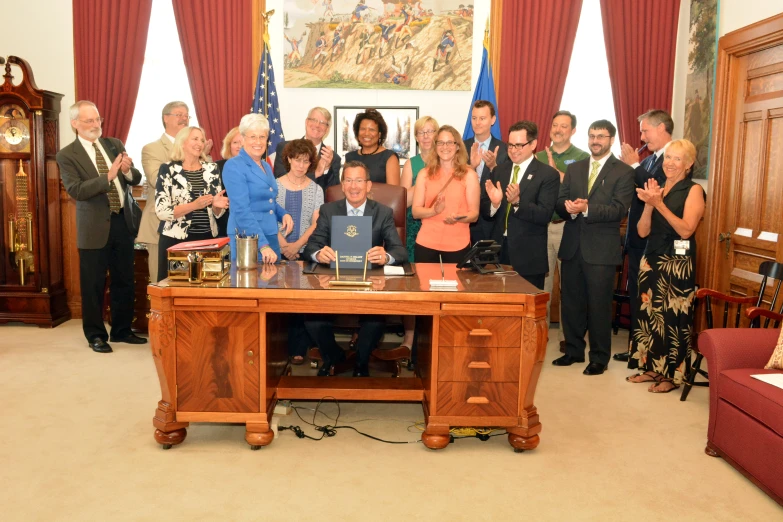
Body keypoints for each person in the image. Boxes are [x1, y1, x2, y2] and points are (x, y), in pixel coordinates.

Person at [302, 161, 407, 377]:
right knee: (311, 317)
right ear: (342, 185)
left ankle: (361, 363)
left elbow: (400, 251)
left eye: (359, 180)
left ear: (368, 185)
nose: (354, 186)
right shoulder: (329, 210)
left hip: (371, 283)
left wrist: (385, 256)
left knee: (376, 318)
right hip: (333, 281)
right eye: (348, 180)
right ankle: (334, 356)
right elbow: (311, 246)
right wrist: (318, 254)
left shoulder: (383, 212)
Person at [56, 100, 146, 353]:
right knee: (93, 284)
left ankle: (121, 330)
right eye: (89, 121)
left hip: (122, 221)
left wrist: (127, 172)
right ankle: (95, 335)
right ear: (75, 124)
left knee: (124, 281)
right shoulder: (67, 155)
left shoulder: (113, 144)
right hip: (94, 227)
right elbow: (76, 190)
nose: (96, 125)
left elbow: (135, 178)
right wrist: (107, 176)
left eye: (98, 120)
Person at [552, 120, 634, 376]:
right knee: (572, 303)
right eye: (592, 135)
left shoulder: (623, 171)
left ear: (611, 139)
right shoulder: (575, 168)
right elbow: (559, 202)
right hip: (573, 246)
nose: (595, 140)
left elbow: (618, 210)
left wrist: (586, 208)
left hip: (601, 251)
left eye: (601, 136)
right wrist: (568, 208)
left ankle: (599, 357)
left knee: (598, 306)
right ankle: (574, 351)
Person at [626, 139, 705, 393]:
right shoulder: (656, 188)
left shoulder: (693, 190)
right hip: (651, 260)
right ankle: (651, 368)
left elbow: (686, 230)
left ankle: (671, 377)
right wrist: (649, 205)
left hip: (677, 264)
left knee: (672, 321)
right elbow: (641, 231)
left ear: (689, 163)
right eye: (668, 157)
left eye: (677, 159)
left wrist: (659, 204)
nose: (670, 163)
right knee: (648, 316)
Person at [615, 109, 672, 362]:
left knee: (650, 298)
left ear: (661, 128)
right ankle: (637, 351)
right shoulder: (649, 159)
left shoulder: (672, 158)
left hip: (655, 240)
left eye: (645, 130)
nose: (642, 137)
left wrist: (634, 166)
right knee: (638, 295)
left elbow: (655, 189)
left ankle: (647, 353)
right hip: (637, 237)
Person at [138, 101, 212, 283]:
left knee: (196, 284)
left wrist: (200, 155)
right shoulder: (152, 149)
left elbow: (208, 186)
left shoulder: (202, 153)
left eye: (186, 115)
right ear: (165, 118)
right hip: (162, 227)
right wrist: (189, 156)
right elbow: (157, 181)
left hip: (197, 230)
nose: (184, 118)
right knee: (163, 284)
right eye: (178, 114)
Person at [536, 111, 590, 351]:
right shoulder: (536, 155)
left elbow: (583, 189)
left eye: (564, 126)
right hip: (539, 229)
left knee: (569, 286)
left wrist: (554, 172)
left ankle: (570, 340)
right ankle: (539, 336)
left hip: (568, 227)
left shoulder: (582, 158)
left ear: (573, 131)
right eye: (555, 125)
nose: (558, 129)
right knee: (541, 287)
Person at [483, 121, 559, 289]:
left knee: (527, 310)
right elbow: (485, 212)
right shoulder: (499, 171)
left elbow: (544, 214)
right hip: (498, 254)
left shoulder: (547, 174)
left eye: (519, 145)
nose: (513, 150)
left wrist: (518, 202)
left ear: (533, 144)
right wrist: (494, 204)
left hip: (528, 257)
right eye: (510, 145)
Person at [154, 127, 228, 282]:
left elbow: (216, 212)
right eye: (195, 139)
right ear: (182, 142)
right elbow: (162, 211)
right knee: (175, 288)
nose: (199, 143)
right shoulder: (168, 169)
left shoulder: (212, 169)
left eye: (202, 140)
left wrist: (217, 206)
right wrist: (194, 205)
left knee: (206, 289)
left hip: (206, 240)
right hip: (176, 241)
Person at [276, 139, 324, 365]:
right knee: (279, 301)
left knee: (302, 300)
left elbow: (316, 224)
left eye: (306, 161)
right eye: (297, 160)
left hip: (305, 251)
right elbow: (267, 217)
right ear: (288, 159)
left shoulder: (316, 189)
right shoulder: (274, 186)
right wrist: (283, 244)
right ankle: (276, 350)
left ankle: (300, 348)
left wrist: (296, 246)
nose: (301, 165)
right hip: (275, 251)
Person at [223, 114, 293, 264]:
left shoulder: (265, 165)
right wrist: (262, 245)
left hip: (270, 234)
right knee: (252, 285)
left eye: (262, 137)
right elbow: (241, 210)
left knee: (273, 284)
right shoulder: (234, 166)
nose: (258, 142)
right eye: (253, 136)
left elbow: (268, 200)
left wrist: (283, 214)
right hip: (248, 239)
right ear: (242, 138)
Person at [411, 125, 479, 263]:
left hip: (458, 246)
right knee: (424, 285)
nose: (445, 147)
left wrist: (458, 218)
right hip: (426, 245)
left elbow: (474, 215)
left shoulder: (469, 175)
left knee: (457, 285)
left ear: (458, 146)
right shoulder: (424, 174)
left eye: (450, 142)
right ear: (435, 146)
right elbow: (415, 212)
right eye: (440, 143)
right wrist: (434, 211)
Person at [464, 100, 509, 244]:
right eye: (474, 118)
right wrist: (471, 166)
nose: (477, 123)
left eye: (482, 118)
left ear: (493, 120)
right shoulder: (461, 147)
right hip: (464, 217)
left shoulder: (504, 149)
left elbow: (508, 183)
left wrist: (493, 167)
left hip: (490, 220)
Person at [273, 107, 342, 190]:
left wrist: (327, 169)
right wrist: (316, 173)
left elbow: (332, 193)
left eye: (322, 123)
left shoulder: (333, 158)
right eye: (314, 120)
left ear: (327, 129)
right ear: (306, 122)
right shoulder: (285, 148)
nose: (317, 125)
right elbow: (280, 180)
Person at [344, 108, 400, 185]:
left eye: (372, 130)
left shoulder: (389, 157)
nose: (366, 133)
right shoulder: (350, 157)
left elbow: (394, 193)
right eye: (363, 129)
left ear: (379, 134)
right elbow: (344, 188)